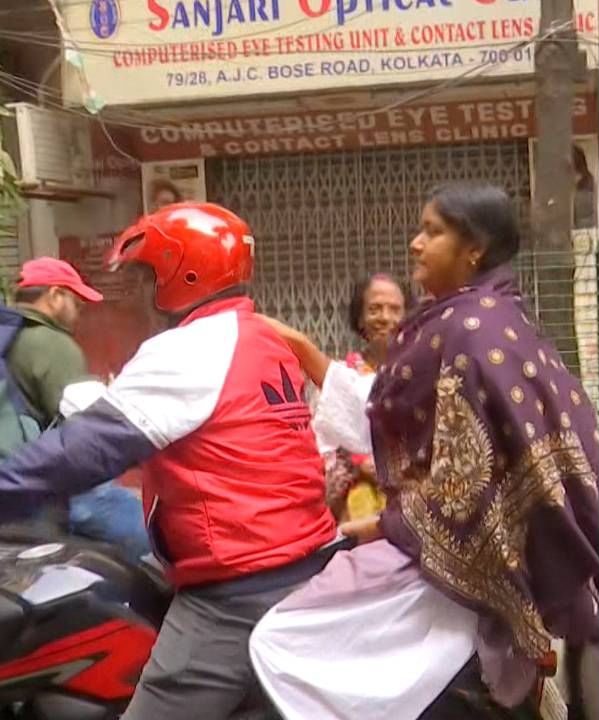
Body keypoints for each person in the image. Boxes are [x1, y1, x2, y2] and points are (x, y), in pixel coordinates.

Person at [249, 183, 599, 719]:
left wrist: (392, 523)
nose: (415, 244)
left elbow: (467, 474)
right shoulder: (484, 318)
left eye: (432, 231)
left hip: (450, 562)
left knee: (280, 640)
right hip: (453, 548)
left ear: (474, 248)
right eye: (376, 309)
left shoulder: (472, 330)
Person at [0, 203, 338, 720]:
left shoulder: (189, 349)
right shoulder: (262, 337)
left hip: (234, 596)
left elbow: (79, 453)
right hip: (299, 563)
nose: (136, 295)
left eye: (144, 276)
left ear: (184, 274)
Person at [1, 257, 149, 561]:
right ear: (55, 296)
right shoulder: (51, 342)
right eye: (77, 303)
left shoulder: (8, 336)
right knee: (152, 539)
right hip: (56, 492)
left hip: (13, 484)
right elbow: (96, 421)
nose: (79, 313)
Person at [315, 273, 408, 523]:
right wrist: (359, 462)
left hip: (411, 497)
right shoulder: (341, 376)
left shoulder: (420, 374)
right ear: (360, 318)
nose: (385, 318)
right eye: (375, 309)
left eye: (395, 309)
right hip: (357, 496)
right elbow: (327, 441)